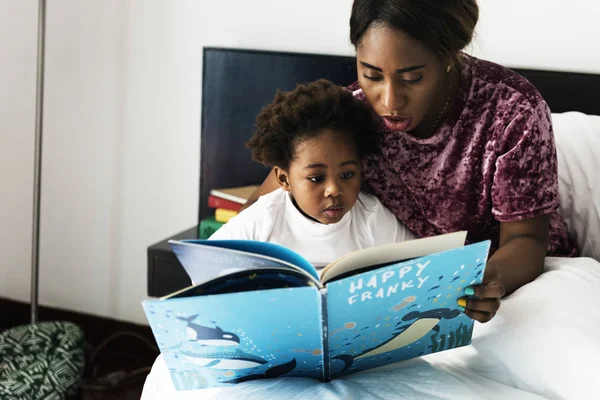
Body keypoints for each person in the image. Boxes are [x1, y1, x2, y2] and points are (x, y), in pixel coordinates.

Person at [243, 0, 579, 323]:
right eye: (372, 75)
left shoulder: (512, 110)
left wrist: (483, 282)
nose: (389, 101)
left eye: (412, 78)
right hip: (406, 291)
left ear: (449, 56)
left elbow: (527, 240)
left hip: (510, 280)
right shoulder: (351, 115)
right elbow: (265, 203)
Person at [209, 79, 415, 268]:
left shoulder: (373, 218)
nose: (334, 190)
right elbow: (207, 265)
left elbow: (417, 267)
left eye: (347, 175)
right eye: (316, 178)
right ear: (284, 178)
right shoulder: (263, 220)